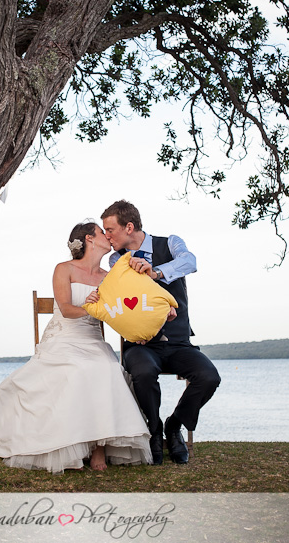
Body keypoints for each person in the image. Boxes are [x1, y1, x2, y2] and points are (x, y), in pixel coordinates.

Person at [0, 222, 153, 474]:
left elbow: (117, 313)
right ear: (90, 239)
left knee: (108, 367)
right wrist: (91, 307)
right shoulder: (63, 269)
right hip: (65, 337)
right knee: (76, 369)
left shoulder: (109, 276)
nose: (108, 236)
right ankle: (71, 443)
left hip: (92, 339)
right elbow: (67, 310)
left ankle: (99, 446)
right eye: (103, 232)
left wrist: (138, 328)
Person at [100, 199, 221, 465]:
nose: (106, 236)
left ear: (129, 227)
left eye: (109, 229)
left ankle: (174, 425)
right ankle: (154, 430)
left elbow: (190, 261)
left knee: (208, 376)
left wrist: (156, 272)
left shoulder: (170, 243)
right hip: (141, 345)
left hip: (178, 341)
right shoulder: (116, 260)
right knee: (143, 372)